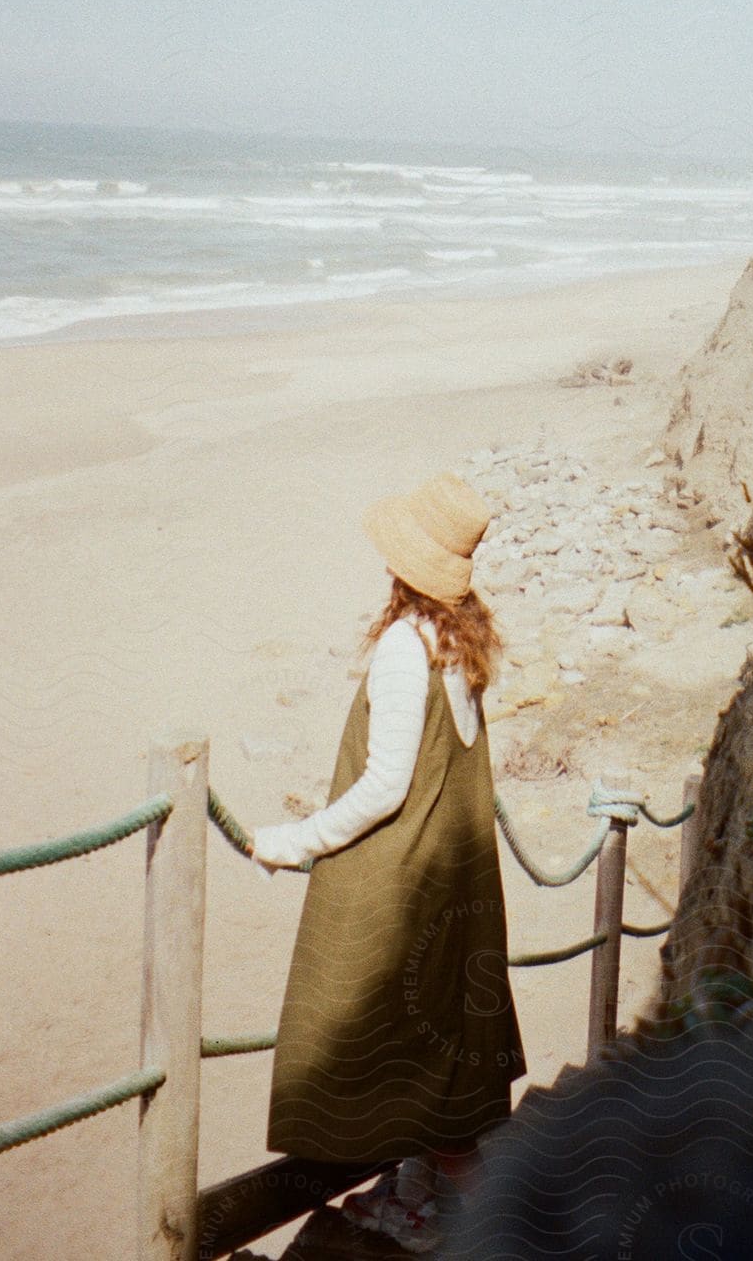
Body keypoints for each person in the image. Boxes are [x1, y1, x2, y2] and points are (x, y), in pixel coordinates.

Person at [249, 471, 526, 1251]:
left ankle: (497, 1233)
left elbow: (383, 786)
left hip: (406, 879)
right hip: (452, 879)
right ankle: (413, 1197)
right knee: (425, 1041)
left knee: (378, 1030)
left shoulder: (407, 648)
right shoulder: (457, 643)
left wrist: (290, 841)